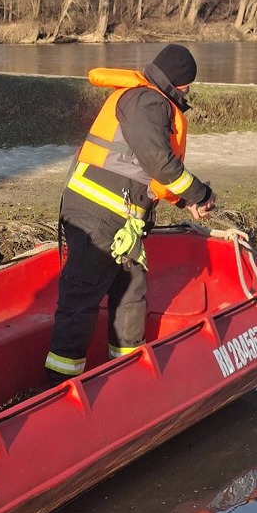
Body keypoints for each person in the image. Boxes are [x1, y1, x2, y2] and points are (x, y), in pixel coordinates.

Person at [44, 44, 216, 381]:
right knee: (82, 296)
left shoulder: (152, 102)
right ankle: (59, 388)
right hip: (96, 212)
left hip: (123, 219)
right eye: (188, 87)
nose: (189, 93)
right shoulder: (146, 101)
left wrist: (185, 202)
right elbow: (159, 163)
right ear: (181, 85)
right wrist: (200, 194)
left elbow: (147, 173)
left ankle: (126, 376)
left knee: (131, 294)